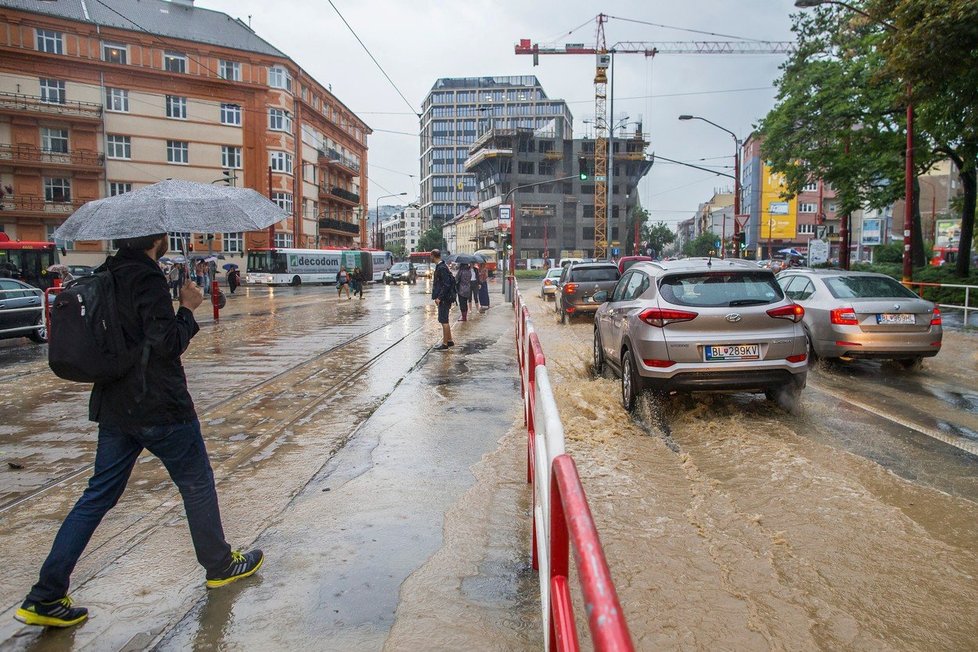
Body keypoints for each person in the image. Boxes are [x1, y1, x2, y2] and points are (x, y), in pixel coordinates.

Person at [14, 233, 263, 629]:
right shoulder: (146, 279)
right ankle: (219, 565)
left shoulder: (107, 273)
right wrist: (186, 309)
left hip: (116, 406)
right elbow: (166, 344)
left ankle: (45, 595)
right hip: (160, 406)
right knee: (196, 483)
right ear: (158, 239)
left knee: (96, 496)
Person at [430, 249, 454, 350]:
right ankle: (449, 340)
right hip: (445, 297)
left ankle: (444, 343)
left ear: (433, 256)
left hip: (444, 298)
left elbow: (446, 284)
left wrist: (439, 297)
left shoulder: (442, 268)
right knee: (444, 319)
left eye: (430, 256)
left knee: (444, 320)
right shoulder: (441, 266)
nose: (430, 258)